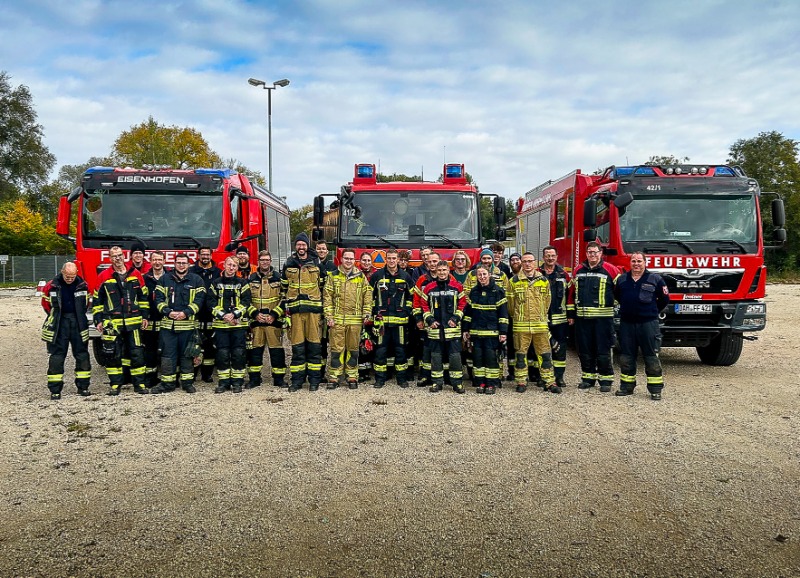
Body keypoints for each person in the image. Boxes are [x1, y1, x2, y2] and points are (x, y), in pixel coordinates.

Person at [93, 246, 150, 395]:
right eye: (114, 256)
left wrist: (145, 316)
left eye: (119, 255)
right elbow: (97, 301)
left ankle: (139, 384)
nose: (117, 259)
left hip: (133, 322)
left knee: (137, 353)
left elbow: (143, 297)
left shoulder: (136, 274)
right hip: (112, 322)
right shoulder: (104, 276)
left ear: (124, 257)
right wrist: (98, 320)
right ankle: (115, 385)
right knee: (112, 355)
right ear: (110, 258)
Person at [613, 251, 669, 400]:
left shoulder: (655, 279)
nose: (636, 264)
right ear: (630, 263)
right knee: (626, 357)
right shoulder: (622, 280)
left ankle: (655, 389)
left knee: (651, 356)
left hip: (648, 324)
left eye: (639, 261)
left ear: (645, 263)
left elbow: (664, 299)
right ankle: (626, 387)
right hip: (627, 324)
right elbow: (617, 296)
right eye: (633, 261)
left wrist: (651, 311)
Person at [568, 242, 621, 392]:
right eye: (590, 252)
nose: (592, 255)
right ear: (586, 253)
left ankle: (605, 380)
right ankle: (588, 378)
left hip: (603, 320)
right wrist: (571, 314)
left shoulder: (611, 270)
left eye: (595, 252)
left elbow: (621, 291)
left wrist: (616, 308)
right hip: (582, 319)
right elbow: (571, 293)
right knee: (584, 350)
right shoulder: (578, 270)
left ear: (601, 253)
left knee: (603, 350)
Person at [151, 253, 205, 394]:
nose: (181, 265)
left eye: (184, 263)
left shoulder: (196, 280)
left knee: (187, 355)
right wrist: (168, 312)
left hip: (188, 326)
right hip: (169, 326)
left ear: (189, 265)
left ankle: (187, 383)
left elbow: (199, 300)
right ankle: (167, 384)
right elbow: (158, 299)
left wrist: (185, 313)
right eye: (179, 262)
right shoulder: (164, 279)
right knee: (168, 356)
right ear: (174, 264)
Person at [281, 232, 327, 391]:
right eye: (298, 244)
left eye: (304, 244)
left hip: (313, 312)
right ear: (296, 246)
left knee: (314, 347)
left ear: (308, 246)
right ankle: (297, 381)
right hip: (295, 312)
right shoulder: (288, 263)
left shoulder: (317, 263)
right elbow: (284, 287)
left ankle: (314, 381)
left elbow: (323, 286)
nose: (301, 247)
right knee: (297, 348)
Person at [322, 249, 373, 389]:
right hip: (337, 320)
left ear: (354, 260)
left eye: (351, 258)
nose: (348, 261)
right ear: (341, 259)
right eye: (346, 258)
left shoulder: (360, 276)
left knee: (353, 349)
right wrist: (329, 316)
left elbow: (367, 296)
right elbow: (327, 297)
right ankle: (334, 377)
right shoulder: (333, 276)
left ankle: (352, 376)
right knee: (336, 349)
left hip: (355, 320)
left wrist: (366, 313)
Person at [508, 252, 558, 393]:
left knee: (545, 355)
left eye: (530, 261)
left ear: (535, 263)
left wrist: (541, 315)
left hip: (540, 325)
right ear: (521, 264)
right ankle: (521, 382)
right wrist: (519, 316)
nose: (528, 264)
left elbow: (547, 302)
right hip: (521, 325)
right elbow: (511, 306)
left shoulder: (543, 280)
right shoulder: (514, 281)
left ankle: (549, 381)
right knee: (520, 355)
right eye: (525, 261)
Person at [41, 262, 92, 399]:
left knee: (82, 354)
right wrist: (55, 317)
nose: (70, 279)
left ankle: (83, 387)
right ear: (62, 272)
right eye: (67, 276)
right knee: (57, 355)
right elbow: (46, 304)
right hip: (59, 322)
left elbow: (86, 303)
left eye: (72, 276)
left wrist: (80, 317)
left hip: (78, 322)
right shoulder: (51, 286)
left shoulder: (82, 284)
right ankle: (55, 390)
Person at [370, 248, 413, 388]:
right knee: (381, 350)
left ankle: (401, 378)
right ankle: (380, 379)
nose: (392, 261)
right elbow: (370, 296)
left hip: (400, 322)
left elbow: (412, 296)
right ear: (385, 259)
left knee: (400, 350)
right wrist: (374, 312)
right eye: (389, 258)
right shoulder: (377, 276)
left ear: (398, 260)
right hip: (381, 321)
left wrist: (406, 310)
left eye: (394, 258)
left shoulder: (405, 276)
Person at [421, 261, 466, 393]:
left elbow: (463, 304)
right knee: (436, 357)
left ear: (448, 271)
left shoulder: (457, 287)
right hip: (435, 330)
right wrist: (430, 320)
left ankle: (457, 383)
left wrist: (456, 318)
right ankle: (437, 383)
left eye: (444, 270)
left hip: (452, 330)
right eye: (439, 270)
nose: (441, 272)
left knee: (455, 357)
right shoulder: (429, 288)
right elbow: (424, 305)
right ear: (436, 271)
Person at [462, 266, 508, 395]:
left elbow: (503, 314)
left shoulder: (497, 291)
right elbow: (468, 313)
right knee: (478, 359)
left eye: (484, 274)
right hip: (476, 333)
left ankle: (491, 384)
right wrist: (466, 329)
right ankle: (481, 382)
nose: (482, 277)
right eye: (479, 275)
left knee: (491, 359)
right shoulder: (474, 291)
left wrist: (503, 332)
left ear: (489, 275)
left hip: (492, 333)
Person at [209, 256, 251, 393]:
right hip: (221, 326)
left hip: (238, 326)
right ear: (224, 265)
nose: (231, 268)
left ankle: (237, 382)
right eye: (229, 265)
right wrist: (223, 315)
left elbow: (246, 302)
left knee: (239, 354)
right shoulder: (216, 283)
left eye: (234, 266)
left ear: (237, 268)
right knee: (222, 354)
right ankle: (224, 383)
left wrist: (235, 314)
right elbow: (210, 302)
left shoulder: (243, 283)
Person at [247, 251, 287, 389]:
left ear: (271, 261)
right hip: (257, 320)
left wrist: (274, 315)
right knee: (255, 352)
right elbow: (246, 300)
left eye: (267, 260)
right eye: (262, 260)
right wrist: (255, 314)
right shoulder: (251, 278)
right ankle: (254, 379)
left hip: (273, 321)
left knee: (276, 351)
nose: (265, 262)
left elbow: (285, 298)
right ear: (258, 261)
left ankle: (279, 379)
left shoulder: (278, 278)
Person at [539, 246, 571, 389]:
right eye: (547, 255)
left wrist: (571, 315)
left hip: (560, 318)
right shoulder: (537, 274)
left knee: (560, 348)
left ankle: (559, 376)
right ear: (543, 257)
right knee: (542, 348)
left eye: (552, 255)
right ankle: (544, 377)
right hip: (541, 317)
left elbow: (570, 295)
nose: (550, 258)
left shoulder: (564, 275)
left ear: (557, 257)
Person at [189, 246, 222, 383]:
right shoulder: (191, 272)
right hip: (195, 314)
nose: (205, 257)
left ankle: (207, 375)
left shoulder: (218, 273)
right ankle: (193, 373)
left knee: (209, 346)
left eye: (207, 254)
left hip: (211, 314)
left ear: (211, 256)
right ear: (198, 255)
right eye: (202, 254)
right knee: (194, 345)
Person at [412, 251, 442, 387]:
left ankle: (442, 375)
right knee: (426, 348)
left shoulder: (449, 278)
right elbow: (416, 301)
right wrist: (418, 319)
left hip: (443, 321)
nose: (432, 264)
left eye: (435, 261)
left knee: (443, 349)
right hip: (426, 320)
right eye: (429, 262)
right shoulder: (421, 280)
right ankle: (425, 375)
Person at [142, 250, 167, 387]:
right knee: (150, 350)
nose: (157, 262)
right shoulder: (145, 279)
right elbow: (142, 299)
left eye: (160, 260)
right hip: (150, 321)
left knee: (167, 350)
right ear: (150, 262)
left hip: (166, 320)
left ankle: (168, 378)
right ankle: (150, 378)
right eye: (155, 260)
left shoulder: (170, 277)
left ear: (164, 261)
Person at [315, 240, 337, 373]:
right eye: (319, 249)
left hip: (329, 308)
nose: (321, 251)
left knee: (333, 341)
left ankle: (335, 370)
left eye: (323, 249)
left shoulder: (332, 267)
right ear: (315, 250)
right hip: (316, 309)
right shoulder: (311, 265)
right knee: (319, 343)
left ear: (327, 252)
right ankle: (320, 372)